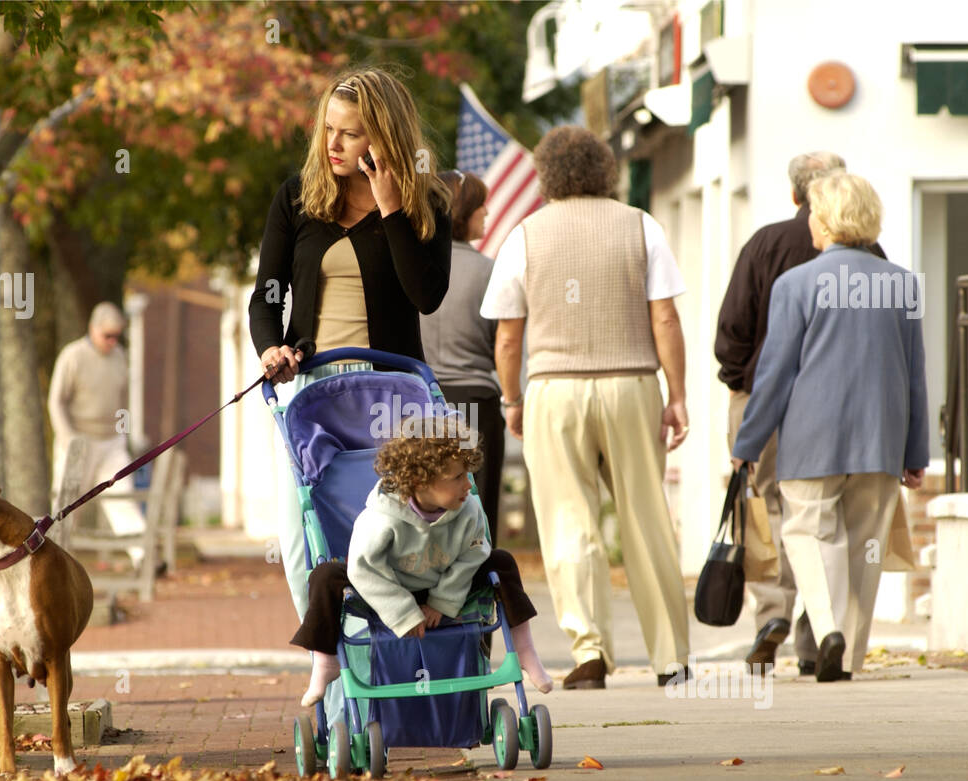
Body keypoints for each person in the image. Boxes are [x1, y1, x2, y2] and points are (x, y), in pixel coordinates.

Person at [483, 125, 691, 690]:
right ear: (606, 170)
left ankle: (590, 649)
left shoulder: (525, 235)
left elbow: (507, 337)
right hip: (631, 383)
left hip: (556, 388)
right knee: (646, 517)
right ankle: (671, 658)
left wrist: (513, 399)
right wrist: (677, 395)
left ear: (547, 174)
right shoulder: (641, 225)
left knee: (568, 520)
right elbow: (665, 319)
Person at [248, 68, 453, 620]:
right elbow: (266, 296)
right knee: (302, 539)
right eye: (328, 128)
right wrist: (272, 348)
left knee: (397, 537)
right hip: (313, 391)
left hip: (394, 393)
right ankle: (340, 683)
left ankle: (397, 667)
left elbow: (426, 295)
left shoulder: (425, 202)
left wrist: (391, 210)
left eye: (351, 133)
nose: (332, 144)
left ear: (383, 139)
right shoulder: (297, 198)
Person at [732, 172, 928, 683]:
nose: (811, 224)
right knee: (866, 546)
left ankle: (826, 631)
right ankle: (848, 653)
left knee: (807, 533)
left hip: (811, 437)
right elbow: (914, 375)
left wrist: (748, 443)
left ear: (829, 221)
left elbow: (775, 374)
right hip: (880, 439)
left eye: (815, 215)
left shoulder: (795, 284)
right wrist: (917, 451)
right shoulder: (902, 283)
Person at [292, 414, 551, 707]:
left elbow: (473, 554)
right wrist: (403, 611)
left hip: (442, 582)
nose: (468, 485)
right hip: (390, 587)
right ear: (419, 480)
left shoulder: (467, 509)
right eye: (457, 477)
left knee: (501, 561)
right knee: (325, 575)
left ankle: (524, 649)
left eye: (468, 474)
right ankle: (326, 662)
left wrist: (443, 601)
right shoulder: (382, 515)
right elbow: (364, 568)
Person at [419, 169, 503, 545]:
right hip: (476, 403)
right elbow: (504, 343)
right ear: (462, 212)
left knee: (420, 513)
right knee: (479, 517)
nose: (487, 211)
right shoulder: (489, 271)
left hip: (418, 403)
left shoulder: (410, 264)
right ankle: (477, 596)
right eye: (480, 205)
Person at [48, 301, 147, 570]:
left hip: (111, 442)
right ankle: (56, 560)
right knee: (68, 503)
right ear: (93, 329)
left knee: (122, 497)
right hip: (78, 440)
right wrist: (68, 438)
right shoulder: (73, 356)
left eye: (117, 336)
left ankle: (143, 557)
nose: (112, 341)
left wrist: (124, 436)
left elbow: (124, 399)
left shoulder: (120, 357)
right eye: (107, 336)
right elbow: (56, 401)